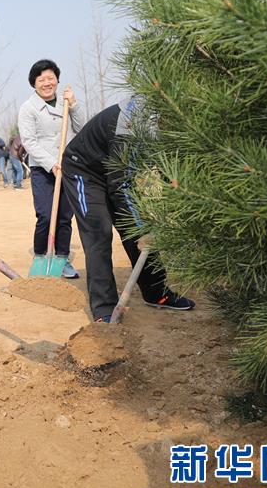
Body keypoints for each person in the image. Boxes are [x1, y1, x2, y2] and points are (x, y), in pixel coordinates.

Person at [61, 97, 196, 322]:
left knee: (136, 226)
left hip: (116, 173)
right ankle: (104, 308)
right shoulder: (131, 124)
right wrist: (141, 230)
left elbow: (167, 170)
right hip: (83, 171)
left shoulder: (175, 113)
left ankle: (156, 294)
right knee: (99, 232)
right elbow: (120, 185)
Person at [18, 59, 85, 279]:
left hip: (68, 167)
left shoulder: (65, 102)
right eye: (41, 79)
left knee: (65, 217)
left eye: (51, 78)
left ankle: (62, 259)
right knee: (46, 215)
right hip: (43, 169)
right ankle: (40, 256)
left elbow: (82, 128)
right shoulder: (28, 108)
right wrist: (51, 164)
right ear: (34, 83)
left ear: (57, 79)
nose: (47, 83)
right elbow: (29, 141)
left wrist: (73, 104)